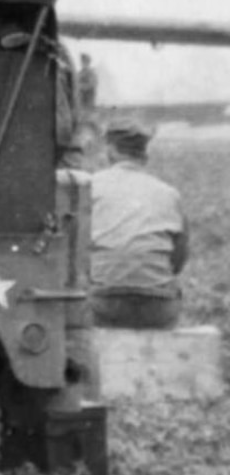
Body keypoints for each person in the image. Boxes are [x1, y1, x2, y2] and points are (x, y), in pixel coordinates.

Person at [89, 118, 188, 329]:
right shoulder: (169, 193)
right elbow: (178, 260)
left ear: (111, 151)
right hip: (157, 304)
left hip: (104, 301)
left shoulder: (90, 186)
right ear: (145, 155)